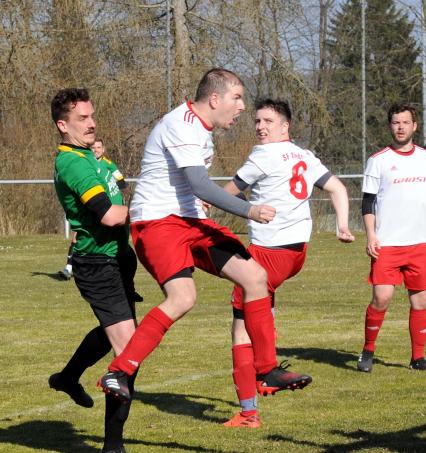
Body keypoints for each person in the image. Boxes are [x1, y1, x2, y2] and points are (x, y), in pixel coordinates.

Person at [97, 68, 311, 405]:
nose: (242, 107)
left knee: (255, 277)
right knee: (183, 298)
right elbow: (199, 185)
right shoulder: (181, 124)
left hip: (190, 222)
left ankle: (267, 370)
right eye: (236, 98)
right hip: (158, 223)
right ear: (215, 99)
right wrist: (249, 210)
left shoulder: (201, 129)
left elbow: (193, 190)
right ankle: (119, 371)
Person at [220, 98, 355, 428]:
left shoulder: (262, 155)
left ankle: (264, 379)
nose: (260, 127)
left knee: (241, 326)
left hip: (269, 253)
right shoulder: (305, 156)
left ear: (285, 126)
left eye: (267, 121)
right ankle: (251, 408)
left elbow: (227, 193)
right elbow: (337, 188)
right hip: (295, 254)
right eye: (257, 121)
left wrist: (200, 207)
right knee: (252, 317)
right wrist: (342, 224)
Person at [50, 88, 139, 453]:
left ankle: (69, 377)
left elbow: (119, 188)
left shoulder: (93, 156)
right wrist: (155, 208)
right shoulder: (72, 163)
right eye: (82, 119)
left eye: (92, 116)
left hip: (119, 258)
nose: (92, 123)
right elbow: (110, 214)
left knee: (116, 336)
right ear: (62, 125)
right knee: (129, 353)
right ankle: (113, 447)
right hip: (97, 264)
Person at [357, 103, 426, 373]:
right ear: (390, 126)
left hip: (419, 243)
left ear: (415, 126)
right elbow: (367, 203)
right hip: (388, 244)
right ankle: (368, 351)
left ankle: (418, 358)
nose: (401, 127)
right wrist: (370, 235)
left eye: (406, 122)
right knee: (381, 298)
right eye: (396, 122)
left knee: (422, 301)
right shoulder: (378, 160)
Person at [60, 139, 129, 280]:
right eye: (93, 147)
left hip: (110, 210)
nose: (96, 150)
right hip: (95, 209)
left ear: (103, 150)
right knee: (76, 238)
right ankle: (69, 267)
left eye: (99, 147)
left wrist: (114, 191)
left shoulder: (108, 164)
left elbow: (121, 183)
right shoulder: (85, 165)